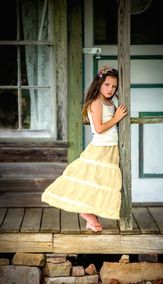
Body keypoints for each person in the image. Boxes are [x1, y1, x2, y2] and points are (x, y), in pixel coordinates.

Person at [41, 66, 127, 232]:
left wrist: (115, 112)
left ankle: (90, 217)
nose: (110, 89)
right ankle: (85, 212)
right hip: (100, 148)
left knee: (101, 183)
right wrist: (116, 118)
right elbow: (100, 128)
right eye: (107, 85)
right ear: (99, 84)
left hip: (110, 149)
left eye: (114, 86)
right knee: (88, 181)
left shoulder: (110, 102)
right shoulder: (96, 103)